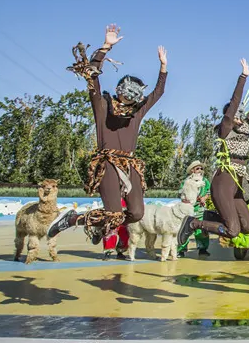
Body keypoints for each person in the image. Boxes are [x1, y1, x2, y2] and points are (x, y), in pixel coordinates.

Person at [49, 25, 168, 242]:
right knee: (113, 214)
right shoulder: (102, 105)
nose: (129, 97)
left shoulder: (137, 112)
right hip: (108, 163)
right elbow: (92, 76)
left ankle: (99, 226)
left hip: (130, 164)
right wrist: (105, 47)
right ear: (119, 89)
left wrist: (163, 67)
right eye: (126, 92)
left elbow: (158, 92)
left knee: (137, 213)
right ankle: (72, 219)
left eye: (134, 94)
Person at [177, 60, 249, 249]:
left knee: (247, 227)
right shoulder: (226, 128)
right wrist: (243, 77)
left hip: (239, 181)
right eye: (235, 113)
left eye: (241, 113)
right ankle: (193, 223)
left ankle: (209, 216)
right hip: (225, 178)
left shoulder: (245, 128)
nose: (239, 115)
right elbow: (235, 101)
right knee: (233, 230)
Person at [177, 161, 212, 257]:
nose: (200, 170)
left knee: (201, 229)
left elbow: (209, 192)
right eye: (197, 168)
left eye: (201, 168)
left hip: (200, 209)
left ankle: (203, 249)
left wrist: (204, 198)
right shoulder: (186, 181)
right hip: (188, 209)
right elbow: (181, 193)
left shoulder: (205, 181)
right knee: (185, 229)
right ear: (192, 170)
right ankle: (181, 250)